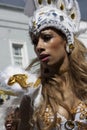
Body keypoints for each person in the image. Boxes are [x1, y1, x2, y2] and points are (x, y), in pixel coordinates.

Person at [4, 0, 87, 130]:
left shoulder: (84, 84)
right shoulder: (33, 97)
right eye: (35, 41)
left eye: (46, 37)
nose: (39, 46)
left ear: (67, 40)